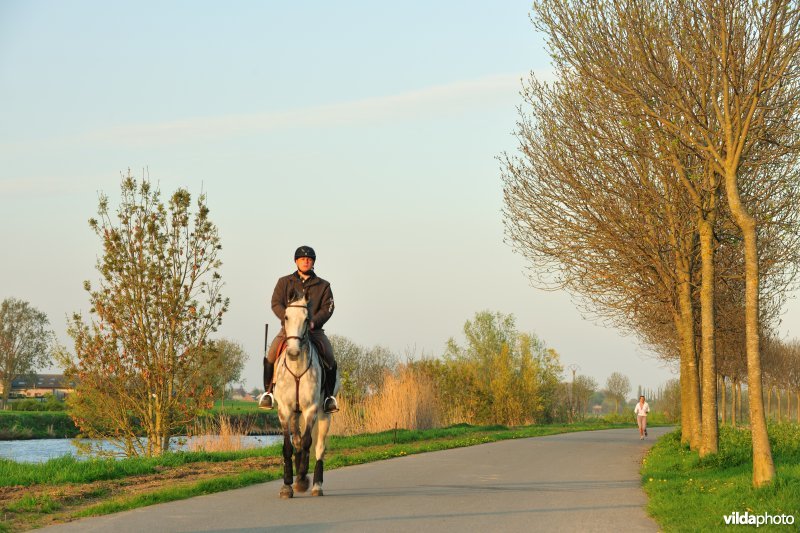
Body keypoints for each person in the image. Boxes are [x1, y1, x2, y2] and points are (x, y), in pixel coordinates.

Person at [258, 245, 339, 413]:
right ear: (296, 261)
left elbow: (328, 308)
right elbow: (276, 303)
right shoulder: (284, 282)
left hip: (313, 331)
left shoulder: (323, 285)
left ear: (313, 262)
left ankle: (328, 397)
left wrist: (313, 322)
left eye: (309, 259)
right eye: (302, 259)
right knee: (272, 354)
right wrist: (288, 320)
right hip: (289, 331)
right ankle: (268, 393)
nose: (306, 261)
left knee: (329, 356)